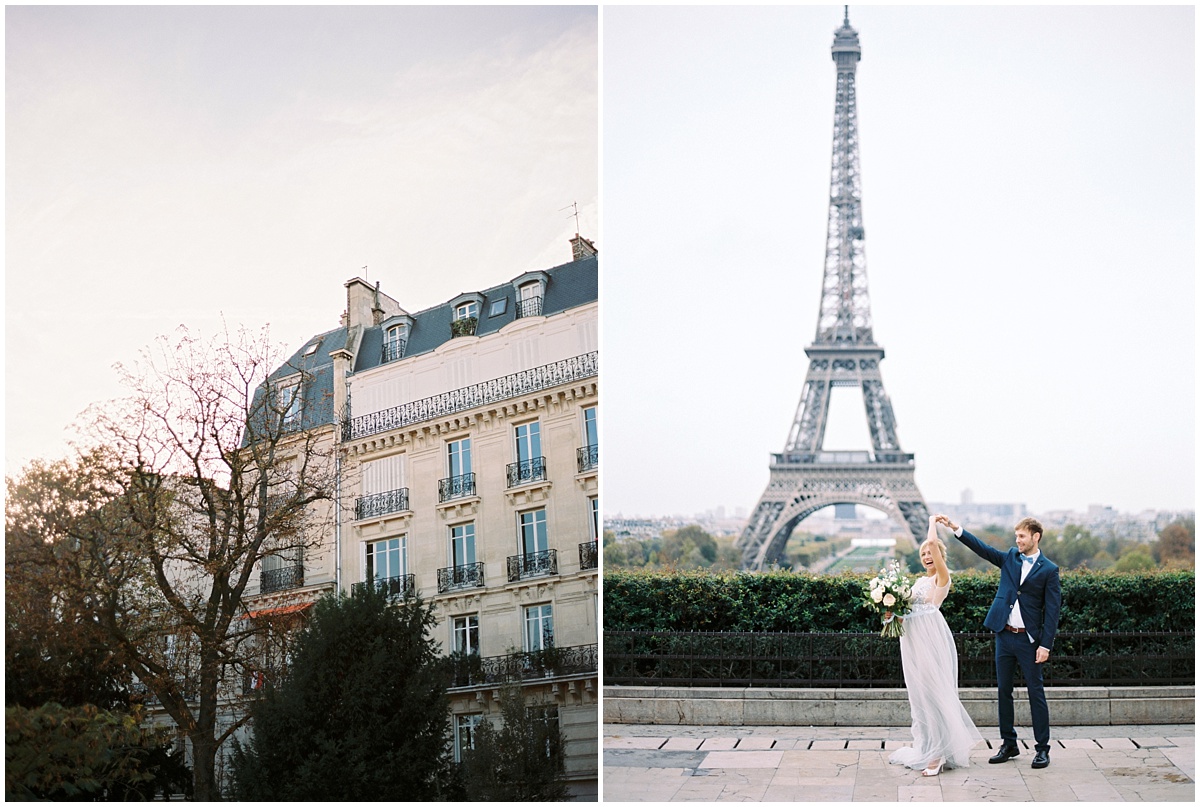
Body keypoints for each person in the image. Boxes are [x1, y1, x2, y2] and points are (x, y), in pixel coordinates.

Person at [936, 514, 1061, 769]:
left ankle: (1042, 748)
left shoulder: (1049, 570)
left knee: (1036, 693)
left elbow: (1053, 610)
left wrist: (1045, 645)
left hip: (1029, 641)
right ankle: (1009, 743)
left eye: (1022, 536)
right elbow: (983, 549)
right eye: (1016, 536)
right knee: (1004, 691)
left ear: (1036, 537)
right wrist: (956, 529)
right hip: (1004, 635)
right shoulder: (1009, 558)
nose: (1018, 540)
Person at [886, 516, 983, 776]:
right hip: (913, 642)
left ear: (940, 555)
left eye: (932, 552)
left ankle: (938, 754)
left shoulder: (942, 578)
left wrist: (932, 523)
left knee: (934, 695)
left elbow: (931, 540)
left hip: (930, 639)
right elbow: (905, 612)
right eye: (924, 553)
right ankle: (929, 747)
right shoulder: (918, 582)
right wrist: (890, 613)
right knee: (919, 697)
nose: (927, 555)